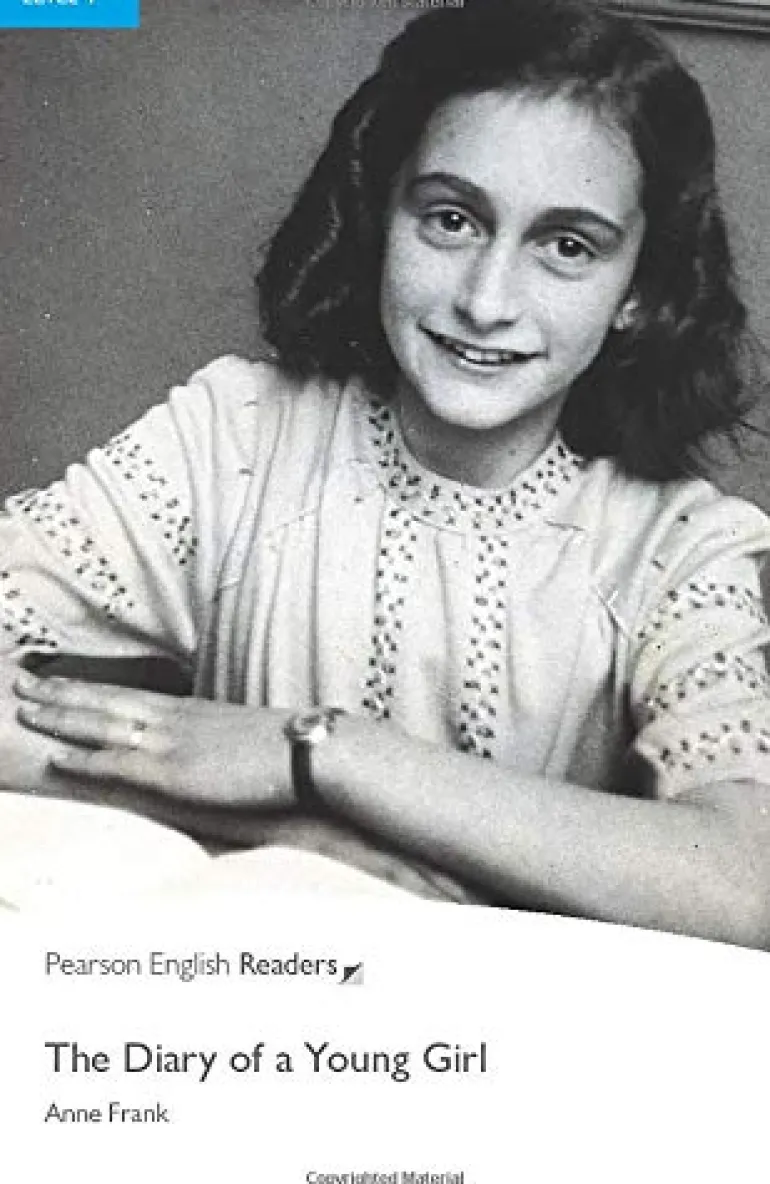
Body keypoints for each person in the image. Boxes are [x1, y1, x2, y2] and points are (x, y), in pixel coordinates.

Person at [3, 0, 770, 945]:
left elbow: (748, 884)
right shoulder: (236, 438)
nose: (486, 300)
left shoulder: (677, 545)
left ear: (640, 292)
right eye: (450, 219)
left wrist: (325, 755)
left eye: (567, 246)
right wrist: (275, 828)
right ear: (381, 216)